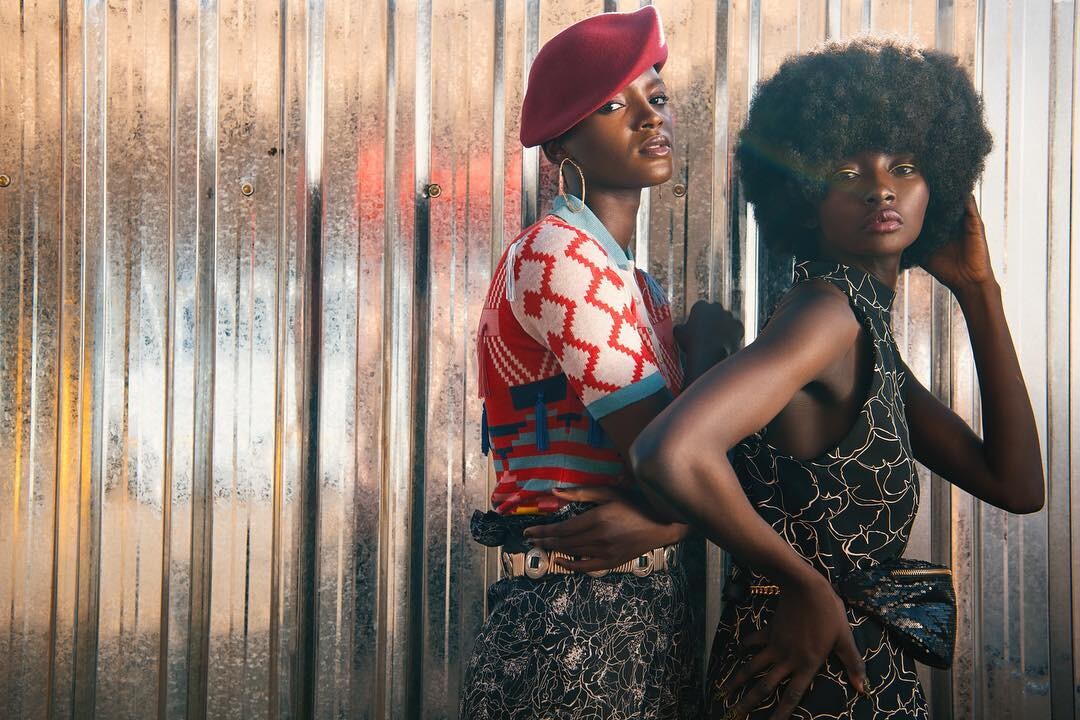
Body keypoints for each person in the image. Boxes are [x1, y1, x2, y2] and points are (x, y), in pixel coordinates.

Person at [630, 38, 1045, 719]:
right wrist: (805, 586)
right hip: (801, 681)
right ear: (805, 198)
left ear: (940, 185)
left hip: (849, 674)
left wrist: (979, 292)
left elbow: (1017, 485)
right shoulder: (827, 316)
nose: (881, 187)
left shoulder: (864, 327)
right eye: (847, 171)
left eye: (904, 167)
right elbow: (668, 452)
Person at [459, 7, 741, 718]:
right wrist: (707, 354)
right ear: (561, 144)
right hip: (568, 624)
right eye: (615, 105)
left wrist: (669, 525)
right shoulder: (556, 254)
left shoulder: (639, 288)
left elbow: (691, 469)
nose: (651, 117)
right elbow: (674, 466)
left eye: (657, 97)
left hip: (648, 617)